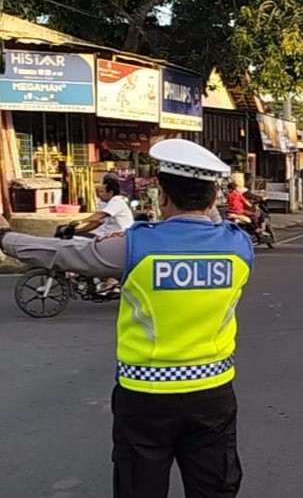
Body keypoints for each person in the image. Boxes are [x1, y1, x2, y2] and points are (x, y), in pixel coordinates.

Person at [0, 139, 254, 497]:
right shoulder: (237, 245)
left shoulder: (136, 246)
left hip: (146, 395)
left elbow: (64, 254)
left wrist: (6, 238)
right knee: (215, 487)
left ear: (162, 196)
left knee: (140, 487)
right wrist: (206, 201)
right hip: (212, 393)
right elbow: (212, 221)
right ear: (213, 198)